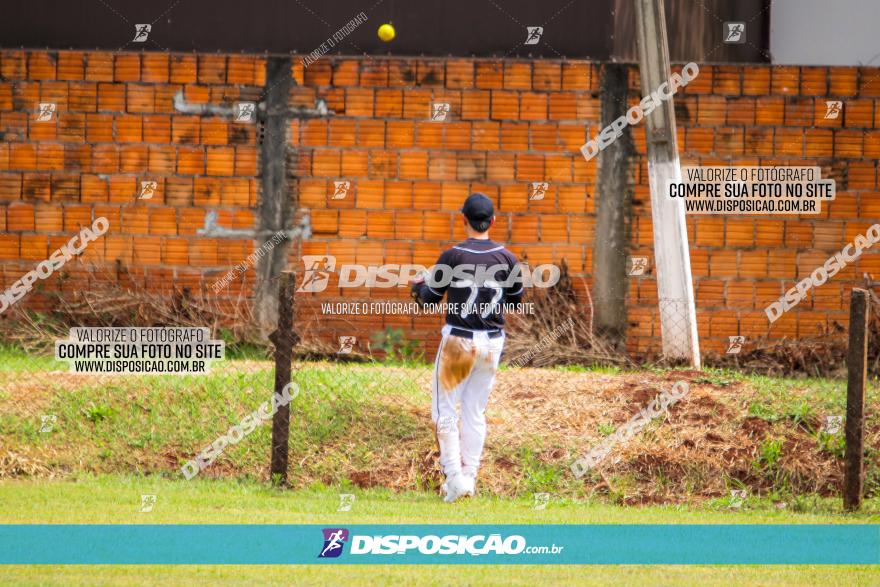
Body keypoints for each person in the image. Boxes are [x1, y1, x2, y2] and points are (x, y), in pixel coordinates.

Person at [410, 193, 524, 503]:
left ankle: (455, 477)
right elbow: (515, 300)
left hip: (460, 340)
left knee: (444, 410)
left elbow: (429, 299)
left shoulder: (453, 256)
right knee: (474, 412)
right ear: (493, 221)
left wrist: (417, 286)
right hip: (492, 343)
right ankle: (469, 478)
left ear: (463, 219)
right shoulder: (508, 258)